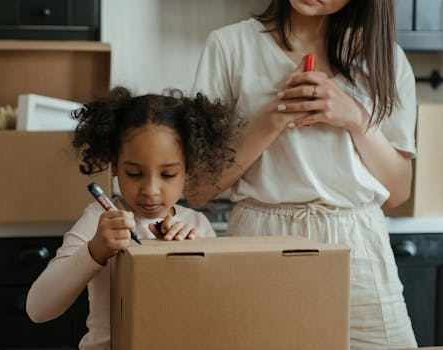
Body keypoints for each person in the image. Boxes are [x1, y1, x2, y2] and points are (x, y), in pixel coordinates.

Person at [187, 1, 417, 349]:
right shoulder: (230, 46)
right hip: (260, 243)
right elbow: (199, 187)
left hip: (359, 248)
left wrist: (354, 117)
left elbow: (398, 191)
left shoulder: (386, 58)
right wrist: (275, 116)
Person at [26, 86, 238, 349]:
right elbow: (38, 308)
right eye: (135, 174)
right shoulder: (99, 220)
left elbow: (218, 315)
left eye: (168, 174)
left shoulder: (197, 226)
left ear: (189, 169)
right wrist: (93, 252)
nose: (150, 191)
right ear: (115, 165)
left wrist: (194, 255)